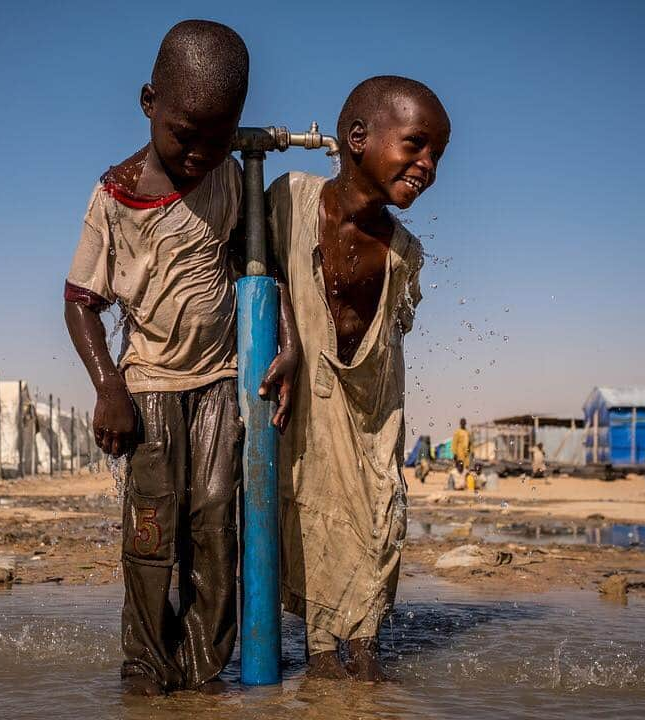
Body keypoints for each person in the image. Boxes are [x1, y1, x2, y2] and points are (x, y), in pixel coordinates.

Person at [62, 20, 297, 696]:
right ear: (149, 102)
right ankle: (143, 663)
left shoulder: (226, 178)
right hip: (151, 386)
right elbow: (81, 301)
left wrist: (290, 343)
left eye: (217, 138)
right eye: (183, 134)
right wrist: (108, 388)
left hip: (222, 384)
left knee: (218, 523)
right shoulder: (116, 195)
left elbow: (261, 270)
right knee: (151, 531)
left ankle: (201, 670)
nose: (197, 153)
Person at [267, 75, 450, 681]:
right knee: (310, 507)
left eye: (436, 156)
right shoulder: (289, 201)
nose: (427, 166)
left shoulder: (403, 251)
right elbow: (263, 270)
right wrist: (292, 339)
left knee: (378, 519)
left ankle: (367, 650)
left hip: (374, 407)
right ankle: (321, 655)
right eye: (416, 146)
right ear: (356, 138)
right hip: (306, 392)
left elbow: (396, 333)